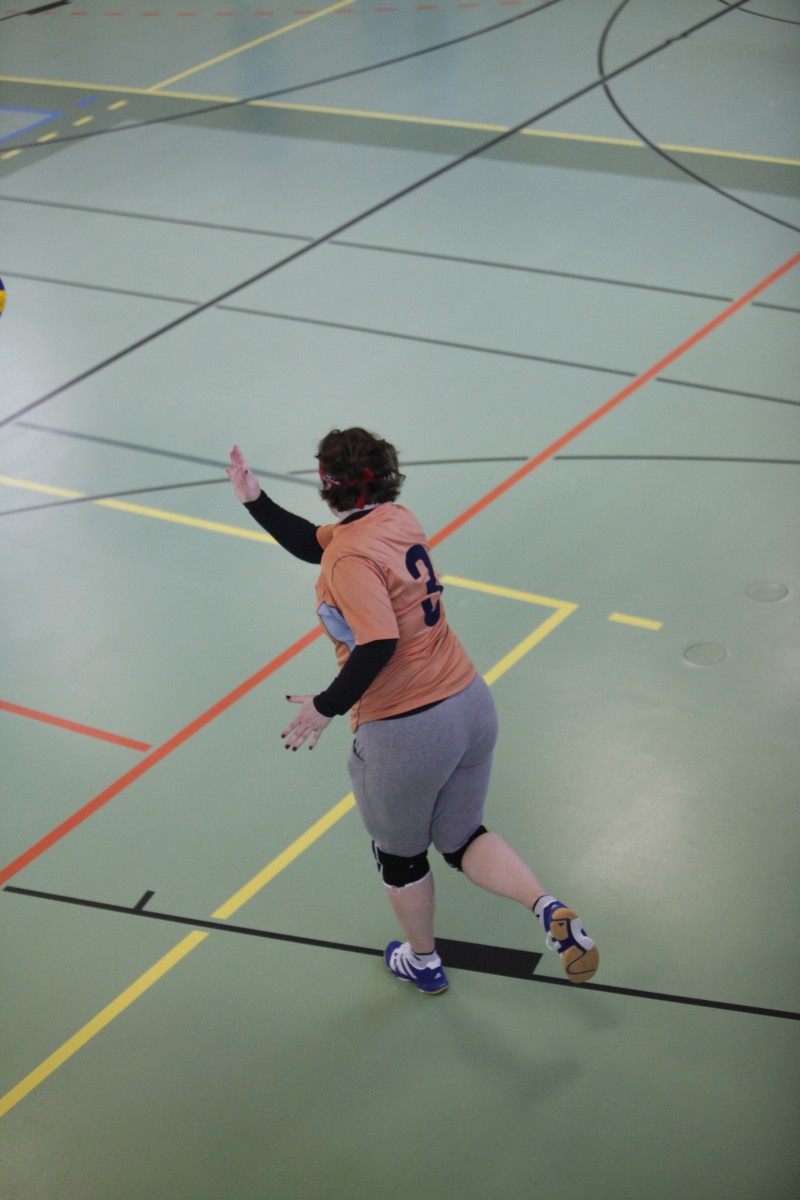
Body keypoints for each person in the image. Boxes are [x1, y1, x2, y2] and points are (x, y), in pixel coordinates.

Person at [227, 428, 598, 996]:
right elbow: (318, 544)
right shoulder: (396, 520)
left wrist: (325, 706)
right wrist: (256, 500)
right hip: (469, 704)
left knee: (400, 859)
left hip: (407, 730)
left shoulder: (348, 557)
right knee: (462, 836)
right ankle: (547, 907)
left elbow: (378, 641)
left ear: (327, 484)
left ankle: (423, 962)